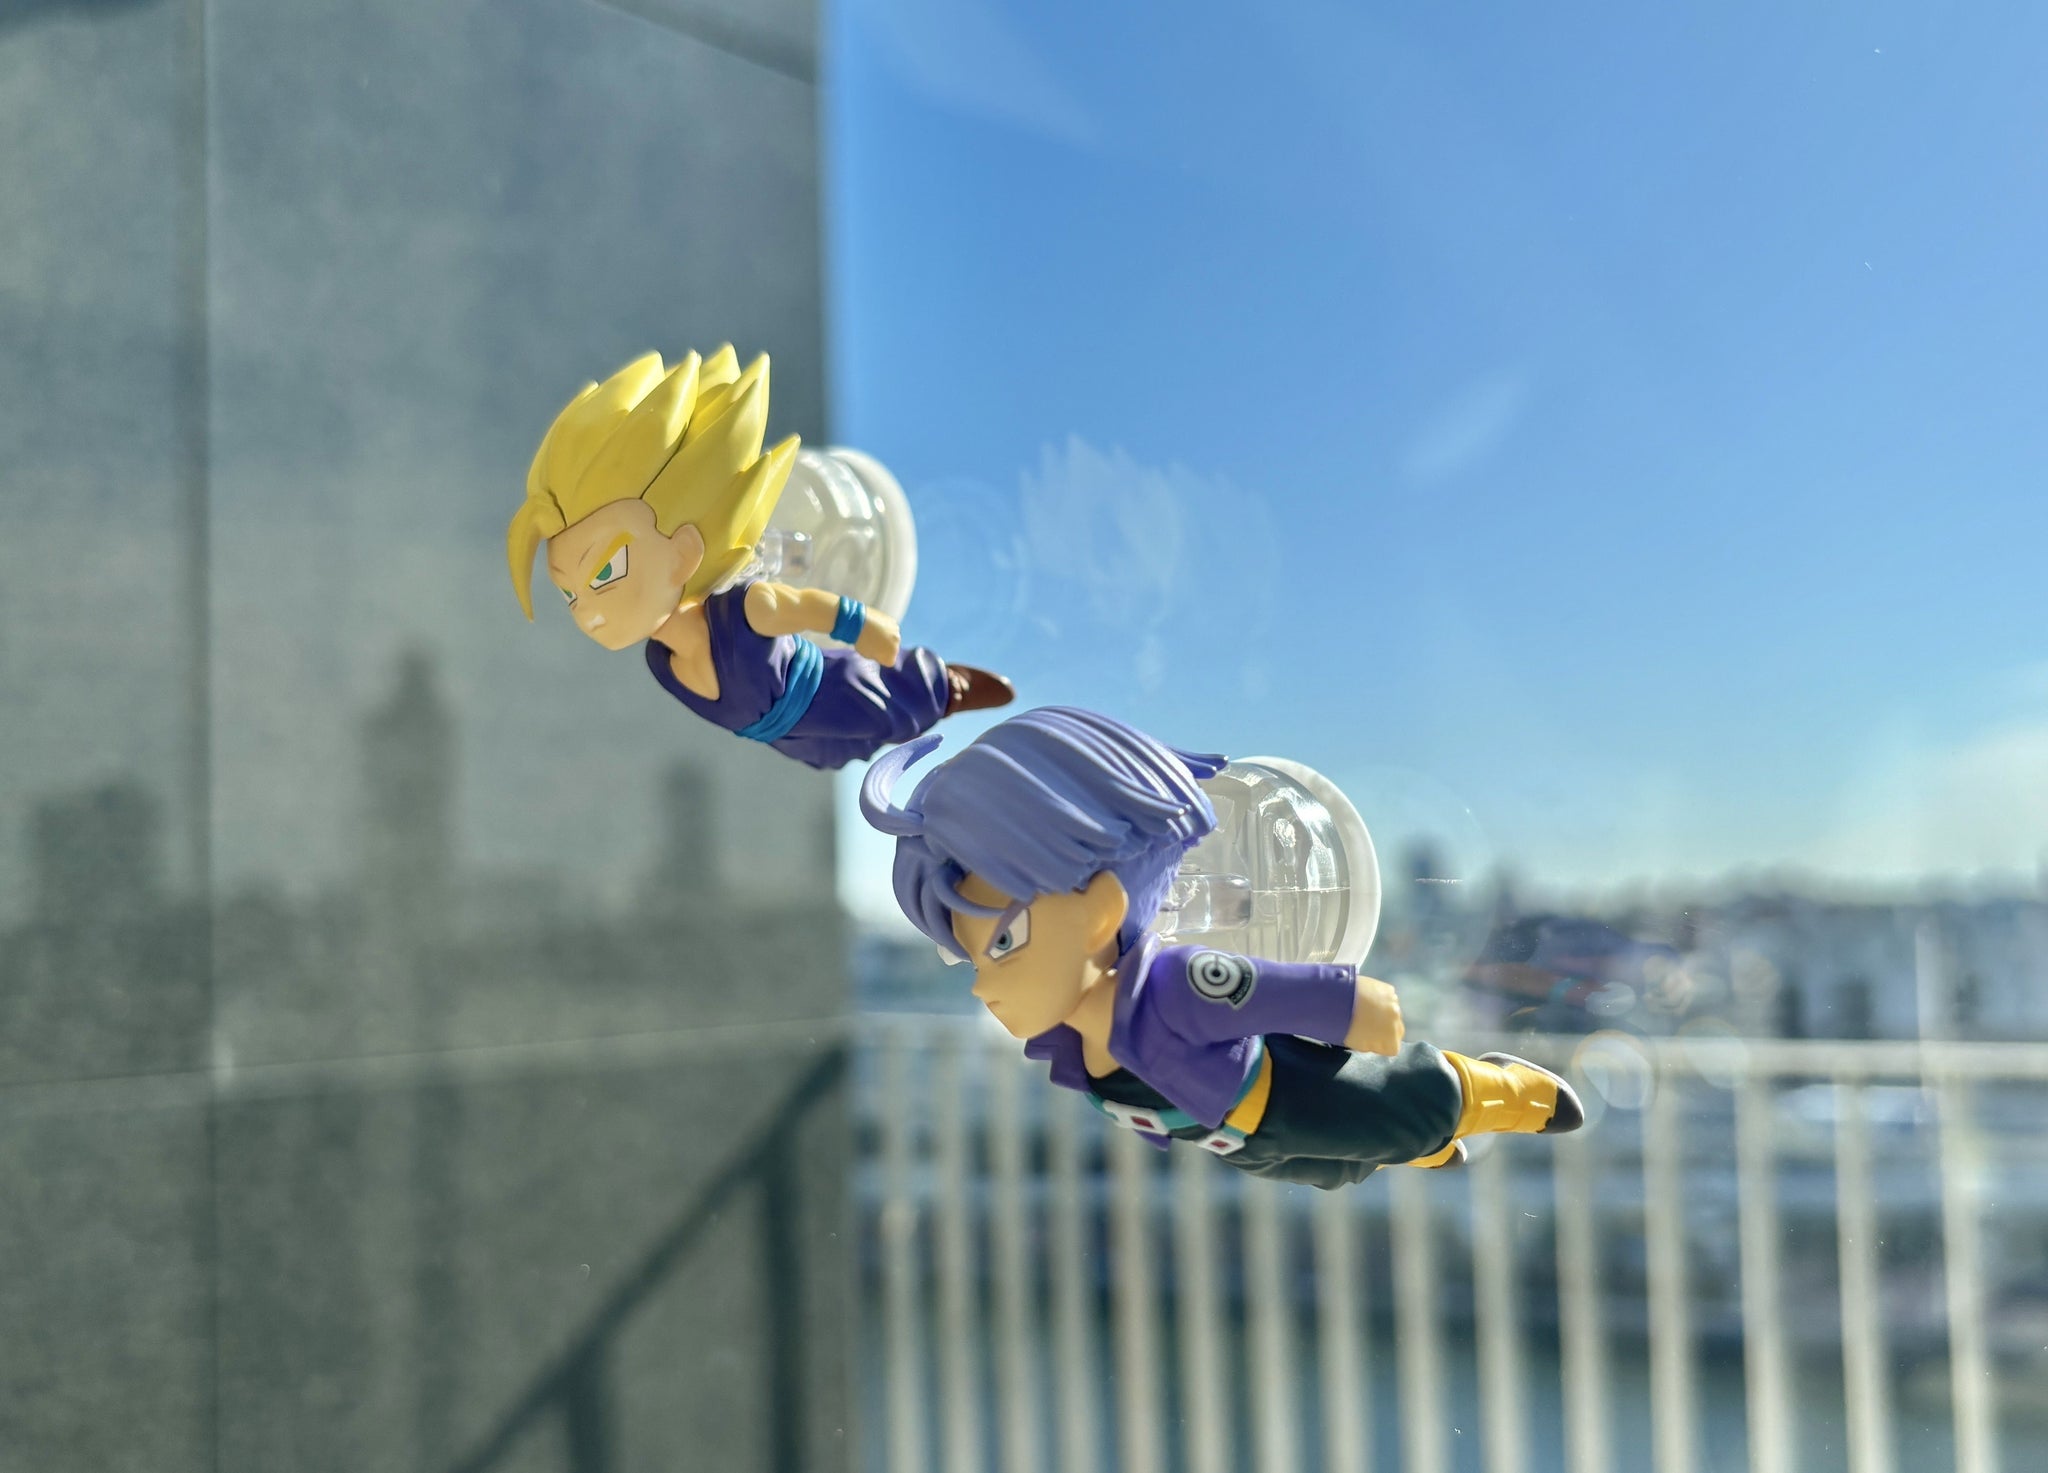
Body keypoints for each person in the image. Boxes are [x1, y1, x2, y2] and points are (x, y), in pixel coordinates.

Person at [860, 706, 1583, 1189]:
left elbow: (1260, 990)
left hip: (1272, 1091)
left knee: (1405, 1105)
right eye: (971, 956)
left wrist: (1349, 1008)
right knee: (1333, 1164)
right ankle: (1418, 1146)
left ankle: (1499, 1089)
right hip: (1231, 1134)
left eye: (1004, 942)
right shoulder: (1068, 1040)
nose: (983, 984)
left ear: (1102, 910)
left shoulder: (1166, 988)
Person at [506, 346, 1012, 770]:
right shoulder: (661, 664)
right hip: (791, 735)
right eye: (568, 593)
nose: (584, 610)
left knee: (891, 706)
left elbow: (807, 607)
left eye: (604, 572)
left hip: (829, 690)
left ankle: (947, 687)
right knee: (845, 751)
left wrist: (866, 628)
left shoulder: (743, 612)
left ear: (684, 552)